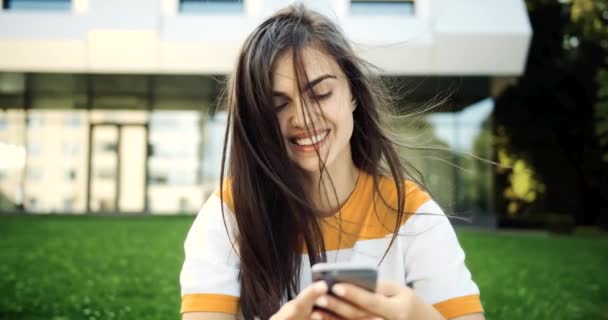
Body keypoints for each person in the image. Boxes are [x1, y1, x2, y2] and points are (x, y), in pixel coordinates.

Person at [180, 4, 484, 320]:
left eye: (321, 93)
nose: (302, 118)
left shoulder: (412, 215)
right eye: (278, 105)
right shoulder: (229, 215)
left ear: (353, 92)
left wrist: (420, 316)